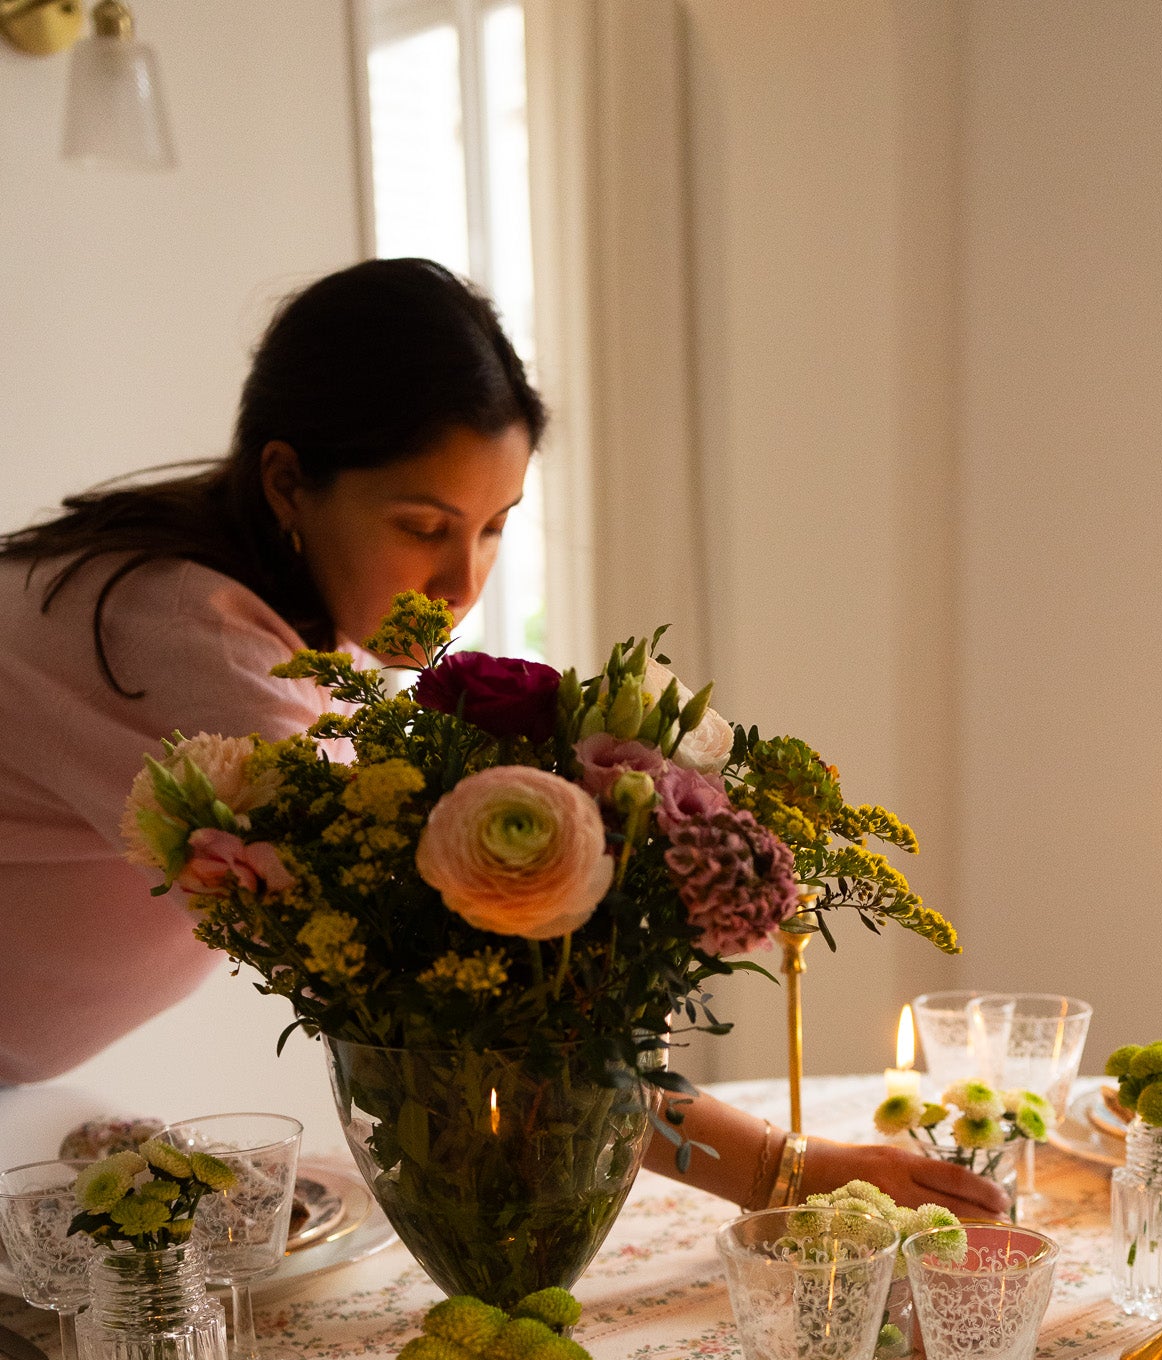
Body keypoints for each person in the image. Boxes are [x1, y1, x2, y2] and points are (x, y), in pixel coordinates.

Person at [0, 257, 1003, 1222]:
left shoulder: (247, 608)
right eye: (423, 526)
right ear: (288, 482)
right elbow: (455, 1010)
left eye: (494, 525)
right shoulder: (199, 641)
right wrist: (785, 1172)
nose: (462, 583)